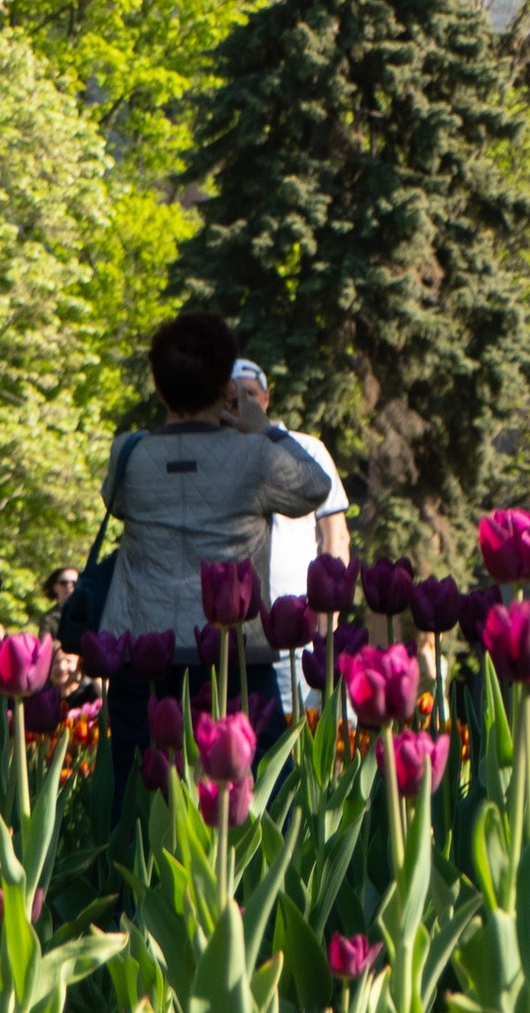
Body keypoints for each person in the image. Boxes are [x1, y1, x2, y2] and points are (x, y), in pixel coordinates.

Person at [97, 308, 332, 810]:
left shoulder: (129, 454)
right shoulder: (254, 456)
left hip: (145, 652)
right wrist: (263, 428)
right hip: (234, 656)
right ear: (225, 384)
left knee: (137, 806)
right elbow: (315, 487)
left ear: (159, 386)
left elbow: (114, 503)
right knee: (259, 801)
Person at [230, 356, 349, 713]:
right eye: (233, 397)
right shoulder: (217, 456)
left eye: (251, 394)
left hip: (296, 629)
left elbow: (335, 537)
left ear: (266, 399)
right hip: (230, 636)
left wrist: (328, 615)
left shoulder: (305, 450)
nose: (243, 404)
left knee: (298, 733)